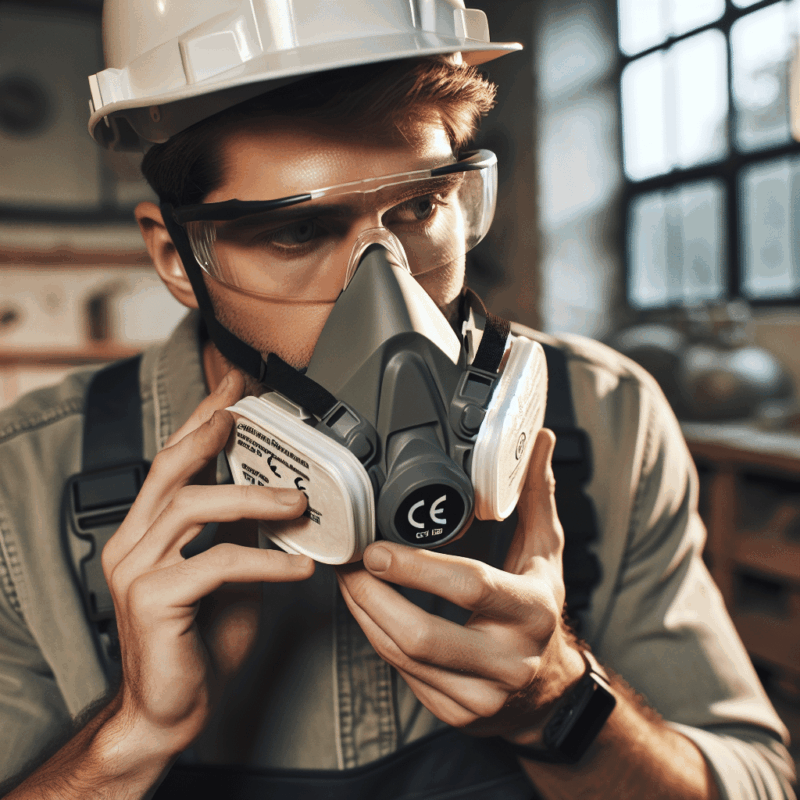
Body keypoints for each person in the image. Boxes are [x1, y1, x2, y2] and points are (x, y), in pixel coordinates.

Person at [0, 2, 795, 798]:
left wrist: (555, 703)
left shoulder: (605, 414)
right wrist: (131, 740)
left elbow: (762, 783)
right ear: (178, 258)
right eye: (295, 234)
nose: (392, 302)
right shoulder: (24, 485)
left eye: (418, 208)